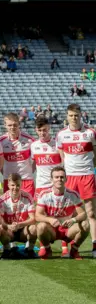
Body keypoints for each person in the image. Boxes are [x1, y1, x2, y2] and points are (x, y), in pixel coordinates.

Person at [56, 103, 96, 258]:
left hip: (87, 175)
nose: (74, 118)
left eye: (76, 115)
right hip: (70, 177)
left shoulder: (90, 133)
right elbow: (62, 156)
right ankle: (66, 245)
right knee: (69, 213)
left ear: (81, 115)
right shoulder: (61, 135)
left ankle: (94, 246)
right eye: (71, 115)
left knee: (91, 213)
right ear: (67, 116)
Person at [36, 166, 89, 260]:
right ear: (51, 179)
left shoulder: (73, 194)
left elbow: (83, 214)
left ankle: (74, 250)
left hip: (67, 230)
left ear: (66, 179)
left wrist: (73, 220)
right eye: (56, 177)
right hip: (52, 230)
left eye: (62, 177)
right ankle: (47, 249)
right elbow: (37, 215)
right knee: (40, 226)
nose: (59, 179)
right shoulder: (44, 194)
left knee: (85, 225)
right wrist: (49, 219)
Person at [0, 173, 37, 259]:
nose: (15, 188)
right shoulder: (2, 199)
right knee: (0, 227)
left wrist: (20, 225)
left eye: (18, 185)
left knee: (34, 227)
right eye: (12, 185)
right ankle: (7, 250)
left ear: (21, 184)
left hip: (23, 230)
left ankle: (30, 250)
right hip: (9, 230)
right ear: (8, 185)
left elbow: (33, 219)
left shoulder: (28, 197)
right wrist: (8, 226)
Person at [0, 113, 36, 196]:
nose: (12, 127)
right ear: (5, 125)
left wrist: (30, 171)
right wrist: (5, 173)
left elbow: (36, 159)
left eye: (15, 125)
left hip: (26, 180)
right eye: (9, 125)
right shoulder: (0, 141)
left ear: (19, 124)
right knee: (10, 208)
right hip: (9, 180)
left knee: (28, 207)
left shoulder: (29, 140)